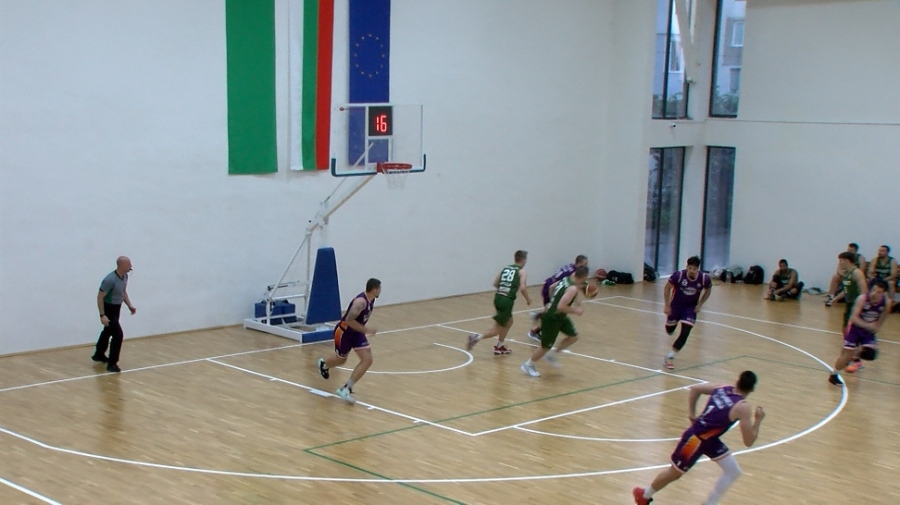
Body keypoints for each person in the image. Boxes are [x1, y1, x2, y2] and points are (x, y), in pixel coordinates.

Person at [632, 371, 765, 505]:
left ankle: (709, 503)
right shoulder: (742, 407)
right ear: (753, 388)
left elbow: (695, 389)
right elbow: (748, 441)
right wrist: (758, 420)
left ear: (737, 381)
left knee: (733, 471)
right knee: (674, 473)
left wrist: (691, 413)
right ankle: (644, 494)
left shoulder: (723, 387)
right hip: (695, 439)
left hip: (710, 439)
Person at [317, 278, 381, 404]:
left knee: (367, 359)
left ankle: (346, 388)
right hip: (344, 333)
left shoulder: (371, 300)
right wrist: (366, 329)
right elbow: (349, 320)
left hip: (356, 333)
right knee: (341, 360)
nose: (380, 291)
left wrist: (363, 330)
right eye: (379, 288)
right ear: (374, 289)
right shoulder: (360, 302)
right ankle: (324, 365)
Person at [520, 265, 589, 377]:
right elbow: (560, 306)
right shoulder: (572, 288)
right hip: (552, 318)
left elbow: (551, 287)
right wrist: (575, 310)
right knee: (545, 346)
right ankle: (528, 365)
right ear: (584, 277)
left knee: (573, 337)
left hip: (560, 316)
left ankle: (552, 354)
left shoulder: (568, 278)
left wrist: (552, 301)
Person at [828, 278, 891, 386]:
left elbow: (883, 317)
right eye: (873, 290)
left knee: (870, 354)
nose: (874, 294)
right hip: (854, 329)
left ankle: (855, 356)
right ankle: (834, 375)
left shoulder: (886, 303)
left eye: (878, 292)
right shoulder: (862, 299)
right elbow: (853, 318)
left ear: (883, 293)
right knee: (847, 355)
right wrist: (868, 325)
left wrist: (877, 325)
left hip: (867, 331)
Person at [467, 250, 532, 355]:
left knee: (509, 322)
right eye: (526, 259)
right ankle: (476, 337)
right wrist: (528, 299)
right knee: (496, 329)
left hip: (498, 297)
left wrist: (504, 289)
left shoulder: (506, 268)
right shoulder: (522, 271)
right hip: (507, 301)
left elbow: (495, 283)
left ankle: (499, 346)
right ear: (523, 260)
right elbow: (523, 288)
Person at [663, 256, 712, 370]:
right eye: (690, 268)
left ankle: (670, 356)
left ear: (698, 269)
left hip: (690, 308)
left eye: (694, 269)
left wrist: (700, 304)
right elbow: (667, 288)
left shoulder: (704, 279)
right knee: (669, 330)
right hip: (676, 306)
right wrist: (667, 305)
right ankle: (670, 328)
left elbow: (708, 290)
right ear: (686, 267)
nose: (691, 271)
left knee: (685, 332)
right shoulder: (678, 276)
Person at [527, 255, 589, 341]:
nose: (586, 266)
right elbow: (570, 286)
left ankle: (538, 316)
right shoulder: (573, 274)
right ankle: (535, 331)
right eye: (585, 264)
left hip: (550, 285)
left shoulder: (570, 267)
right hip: (551, 288)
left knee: (551, 311)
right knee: (552, 313)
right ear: (578, 263)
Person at [92, 256, 136, 373]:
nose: (131, 266)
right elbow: (100, 297)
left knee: (108, 331)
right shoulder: (109, 280)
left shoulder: (125, 276)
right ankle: (112, 364)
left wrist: (129, 305)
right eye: (129, 264)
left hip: (117, 308)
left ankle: (98, 354)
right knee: (118, 335)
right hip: (109, 309)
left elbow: (123, 292)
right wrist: (102, 315)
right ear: (122, 265)